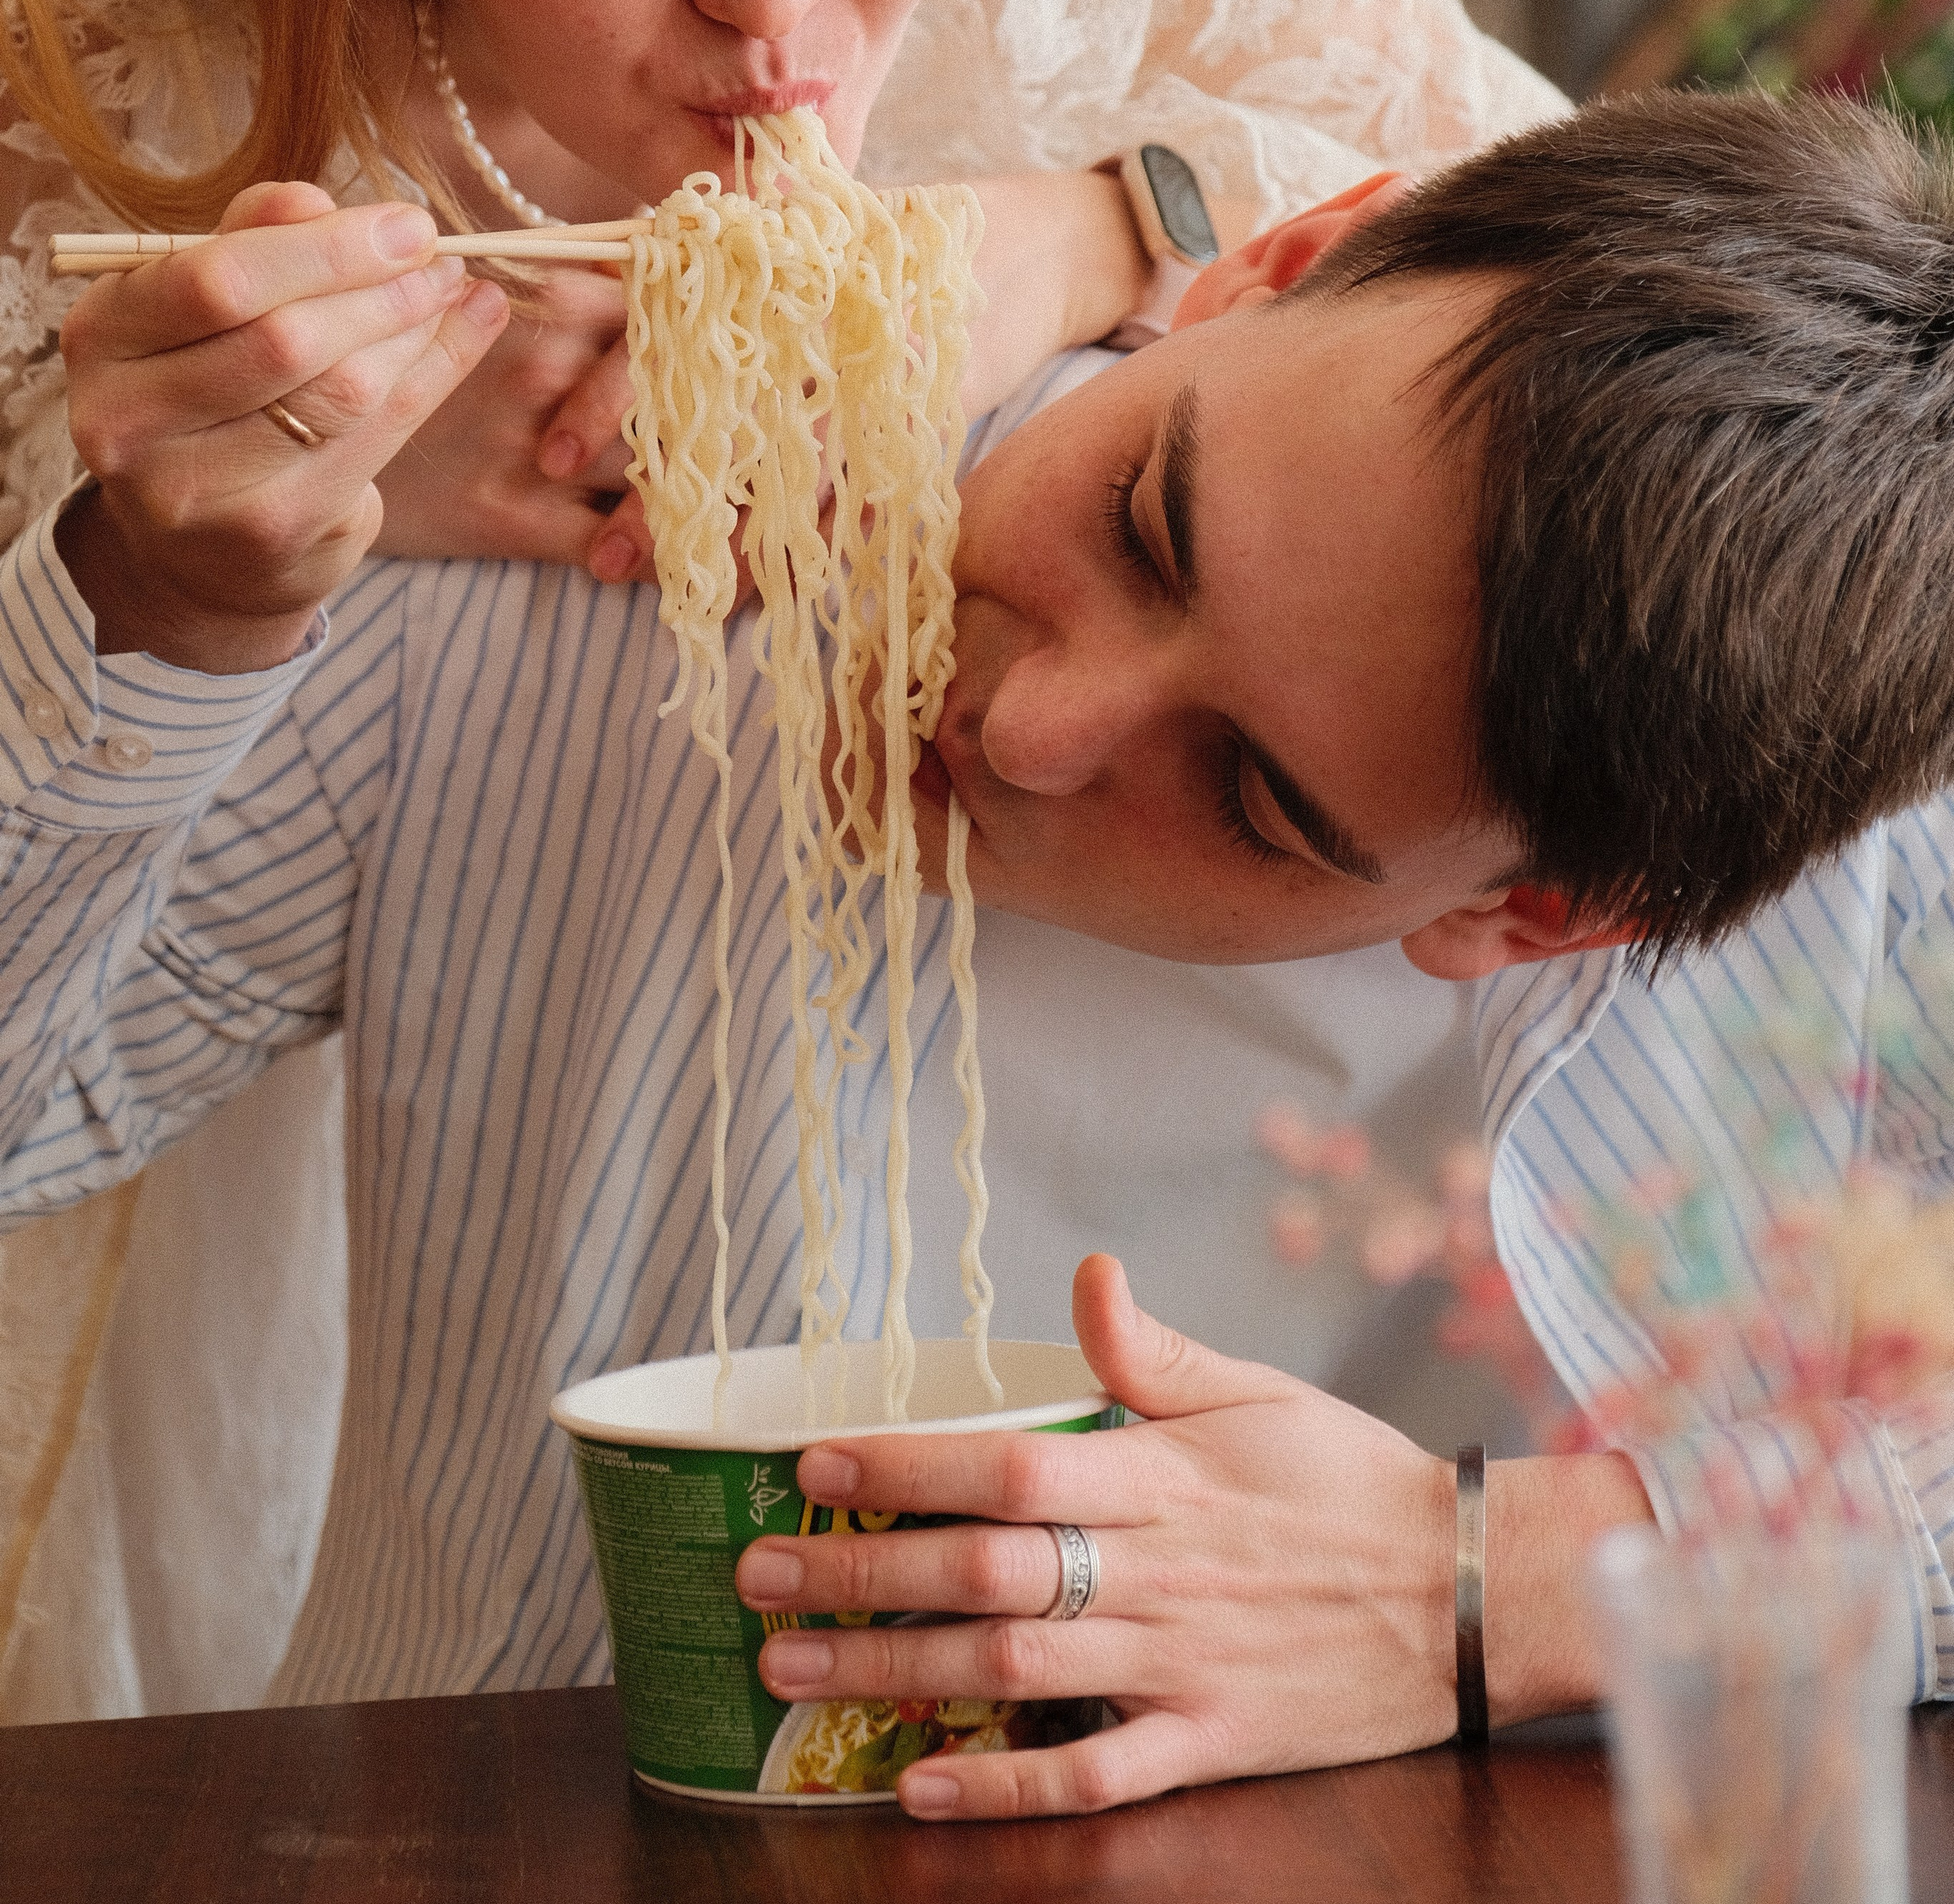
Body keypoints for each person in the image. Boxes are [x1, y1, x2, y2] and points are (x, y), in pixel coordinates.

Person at [0, 0, 1562, 1716]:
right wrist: (167, 580)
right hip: (258, 999)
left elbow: (1570, 249)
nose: (784, 1)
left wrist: (1069, 231)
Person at [8, 87, 1954, 1786]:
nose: (1028, 721)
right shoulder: (617, 521)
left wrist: (1486, 1587)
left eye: (1256, 801)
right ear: (1277, 258)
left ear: (1526, 912)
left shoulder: (1843, 896)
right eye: (1141, 519)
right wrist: (168, 612)